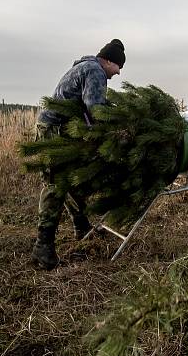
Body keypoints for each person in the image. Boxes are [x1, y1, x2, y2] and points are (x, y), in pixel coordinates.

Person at [33, 38, 126, 270]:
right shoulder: (95, 71)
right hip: (54, 132)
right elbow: (95, 110)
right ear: (108, 61)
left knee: (72, 178)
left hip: (59, 129)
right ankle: (43, 246)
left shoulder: (84, 66)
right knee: (56, 184)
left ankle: (81, 225)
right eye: (118, 67)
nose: (118, 73)